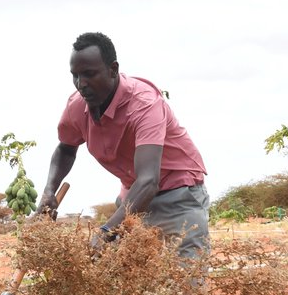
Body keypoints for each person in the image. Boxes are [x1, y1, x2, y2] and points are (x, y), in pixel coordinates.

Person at [36, 32, 210, 261]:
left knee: (185, 287)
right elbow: (66, 148)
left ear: (112, 69)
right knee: (123, 283)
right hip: (133, 199)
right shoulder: (77, 106)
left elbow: (149, 181)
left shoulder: (144, 104)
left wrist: (107, 230)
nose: (81, 84)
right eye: (75, 76)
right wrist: (49, 190)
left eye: (89, 74)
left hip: (178, 196)